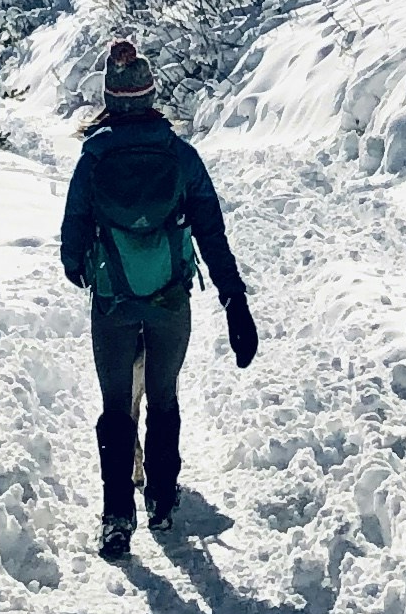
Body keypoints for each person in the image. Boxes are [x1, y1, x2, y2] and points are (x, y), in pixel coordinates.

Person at [59, 36, 258, 558]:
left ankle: (116, 518)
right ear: (151, 96)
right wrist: (234, 300)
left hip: (114, 300)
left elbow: (72, 239)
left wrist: (84, 269)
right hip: (171, 299)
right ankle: (163, 501)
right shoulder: (181, 156)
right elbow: (212, 232)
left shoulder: (93, 159)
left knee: (115, 409)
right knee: (163, 397)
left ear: (110, 99)